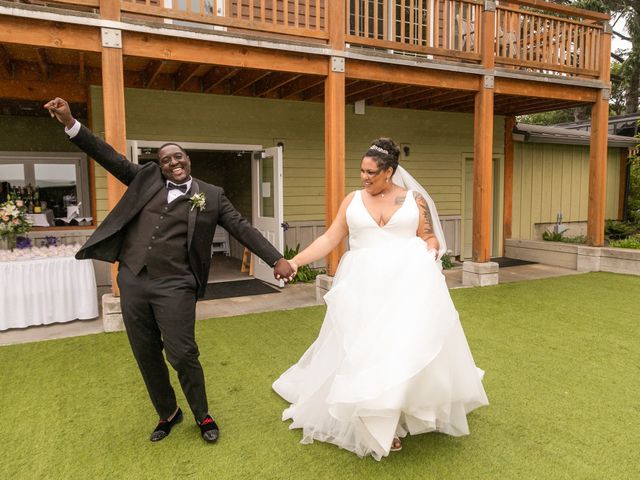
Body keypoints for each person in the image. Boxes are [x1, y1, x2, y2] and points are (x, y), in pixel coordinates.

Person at [44, 97, 295, 444]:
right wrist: (71, 123)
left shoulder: (211, 195)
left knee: (182, 353)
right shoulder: (144, 179)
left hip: (176, 284)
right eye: (165, 159)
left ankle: (202, 414)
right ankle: (168, 413)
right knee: (145, 353)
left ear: (187, 160)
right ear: (159, 166)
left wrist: (276, 259)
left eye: (177, 156)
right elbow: (108, 155)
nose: (172, 162)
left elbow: (242, 228)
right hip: (133, 279)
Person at [272, 138, 488, 460]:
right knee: (365, 353)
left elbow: (428, 236)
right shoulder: (352, 200)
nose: (364, 177)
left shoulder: (414, 200)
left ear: (390, 171)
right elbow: (331, 237)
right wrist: (295, 262)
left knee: (400, 350)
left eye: (371, 172)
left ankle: (395, 415)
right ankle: (375, 421)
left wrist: (430, 248)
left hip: (406, 288)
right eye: (361, 170)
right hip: (363, 289)